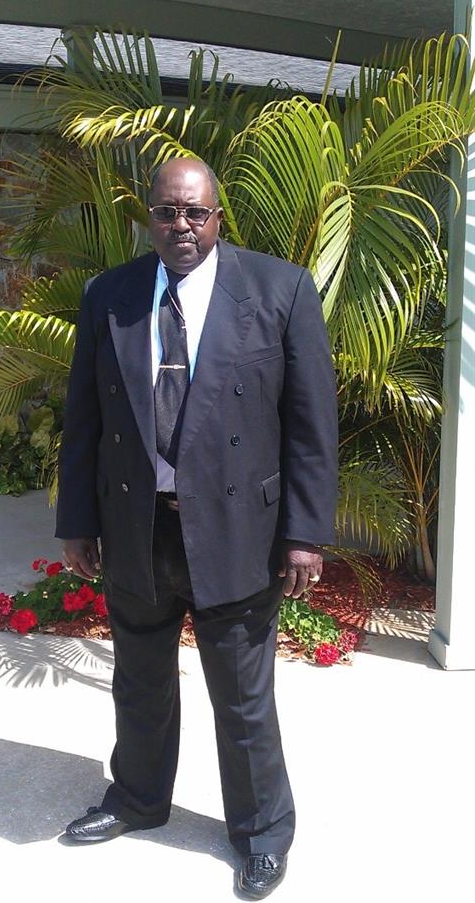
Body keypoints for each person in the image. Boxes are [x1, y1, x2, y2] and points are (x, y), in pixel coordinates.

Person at [55, 158, 338, 899]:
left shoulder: (280, 290)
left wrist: (305, 533)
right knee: (138, 681)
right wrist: (77, 523)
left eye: (194, 213)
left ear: (218, 217)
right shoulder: (108, 295)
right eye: (165, 213)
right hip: (137, 526)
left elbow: (310, 427)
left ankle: (261, 832)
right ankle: (138, 799)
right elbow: (83, 420)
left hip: (238, 531)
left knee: (242, 698)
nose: (180, 226)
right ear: (147, 217)